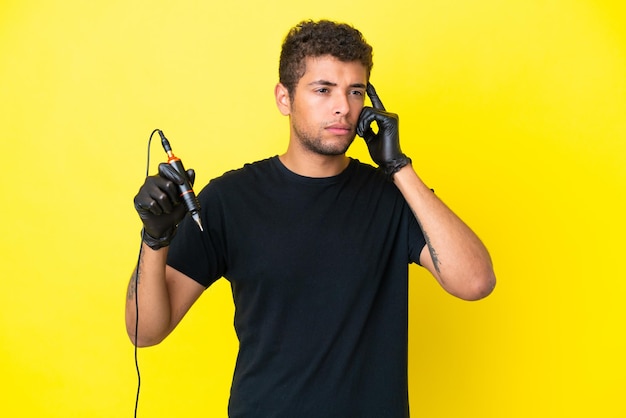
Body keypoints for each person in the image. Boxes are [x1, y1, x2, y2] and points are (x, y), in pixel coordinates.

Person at [126, 19, 496, 418]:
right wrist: (155, 239)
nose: (343, 107)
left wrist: (398, 165)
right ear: (284, 98)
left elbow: (475, 282)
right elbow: (144, 332)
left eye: (355, 92)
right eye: (323, 90)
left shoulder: (391, 196)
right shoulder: (231, 199)